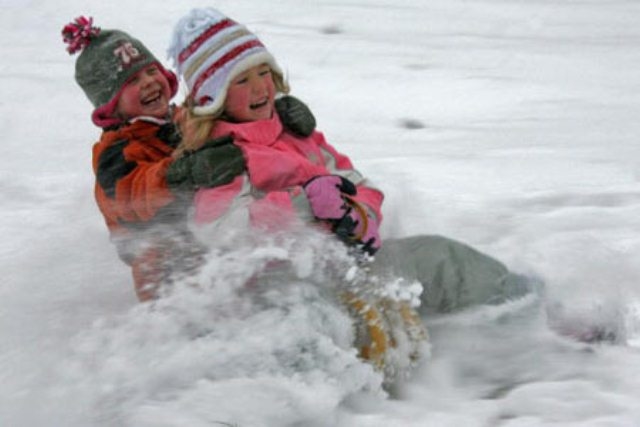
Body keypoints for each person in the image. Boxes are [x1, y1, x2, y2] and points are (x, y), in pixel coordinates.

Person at [62, 16, 319, 302]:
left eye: (150, 71)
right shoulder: (116, 152)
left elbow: (232, 122)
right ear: (111, 104)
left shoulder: (185, 118)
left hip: (221, 241)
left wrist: (279, 116)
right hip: (170, 275)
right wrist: (181, 173)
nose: (148, 82)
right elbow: (130, 195)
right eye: (133, 81)